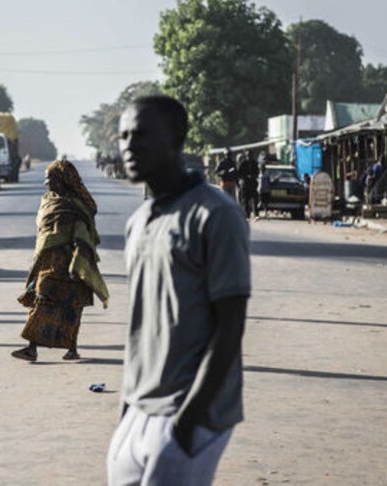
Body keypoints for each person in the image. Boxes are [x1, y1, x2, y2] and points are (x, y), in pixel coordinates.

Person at [107, 96, 250, 485]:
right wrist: (126, 406)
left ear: (176, 138)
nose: (129, 146)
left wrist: (188, 420)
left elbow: (230, 325)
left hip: (188, 410)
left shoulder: (214, 214)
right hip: (138, 408)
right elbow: (140, 326)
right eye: (123, 136)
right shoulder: (139, 221)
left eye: (142, 135)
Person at [11, 160, 109, 362]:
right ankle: (32, 348)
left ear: (64, 181)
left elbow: (82, 237)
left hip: (69, 264)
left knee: (72, 308)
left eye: (52, 180)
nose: (48, 184)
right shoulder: (48, 201)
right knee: (41, 302)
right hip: (46, 262)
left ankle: (71, 349)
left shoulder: (76, 207)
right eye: (47, 181)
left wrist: (78, 265)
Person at [236, 152, 258, 219]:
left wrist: (253, 176)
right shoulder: (243, 163)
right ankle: (247, 214)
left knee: (254, 199)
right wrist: (245, 177)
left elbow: (257, 172)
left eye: (250, 156)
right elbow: (238, 174)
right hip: (245, 184)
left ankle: (255, 214)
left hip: (253, 184)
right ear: (246, 156)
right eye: (248, 156)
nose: (249, 157)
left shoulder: (254, 163)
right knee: (245, 200)